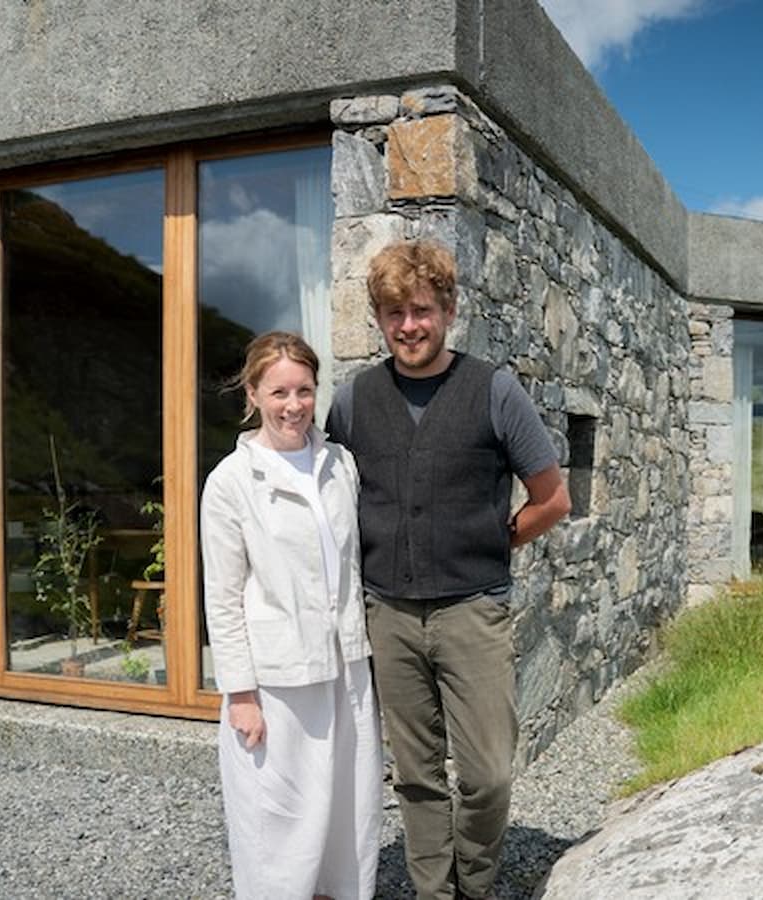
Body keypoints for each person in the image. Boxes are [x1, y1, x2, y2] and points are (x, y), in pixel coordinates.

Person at [327, 240, 572, 900]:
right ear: (379, 319)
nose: (410, 325)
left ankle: (477, 882)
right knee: (415, 773)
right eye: (394, 312)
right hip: (390, 615)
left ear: (449, 309)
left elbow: (554, 499)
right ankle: (434, 891)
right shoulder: (352, 404)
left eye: (423, 310)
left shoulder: (493, 391)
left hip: (474, 612)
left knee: (488, 772)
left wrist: (497, 541)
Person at [200, 331, 383, 900]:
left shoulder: (339, 464)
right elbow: (223, 598)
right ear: (252, 393)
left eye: (305, 390)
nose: (294, 405)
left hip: (346, 667)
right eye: (279, 391)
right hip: (276, 679)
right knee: (278, 819)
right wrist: (242, 695)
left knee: (347, 810)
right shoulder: (231, 482)